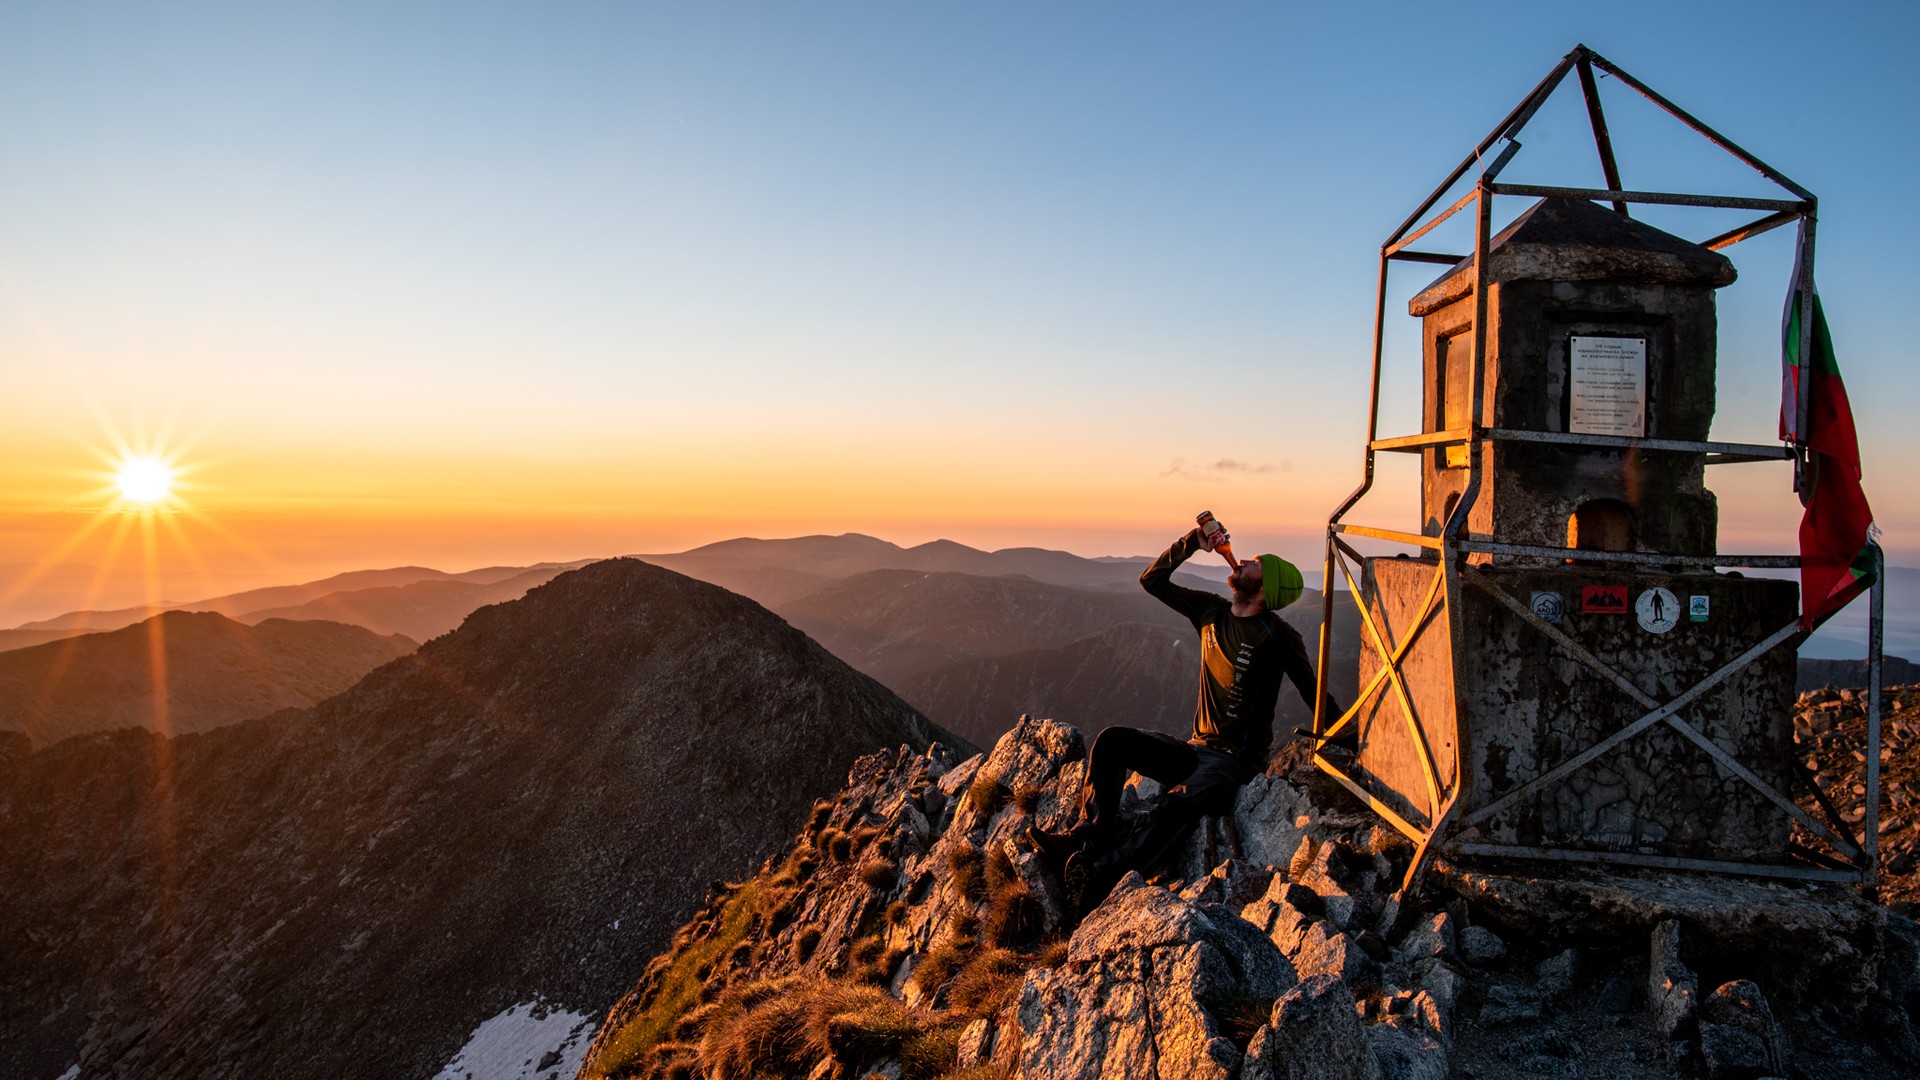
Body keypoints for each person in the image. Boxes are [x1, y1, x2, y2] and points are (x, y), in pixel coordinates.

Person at [1028, 520, 1329, 911]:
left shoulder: (1278, 635)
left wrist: (1348, 738)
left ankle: (1102, 875)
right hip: (1195, 749)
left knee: (1175, 803)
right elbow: (1152, 581)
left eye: (1254, 564)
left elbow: (1314, 693)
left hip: (1235, 763)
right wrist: (1192, 543)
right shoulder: (1211, 611)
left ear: (1266, 587)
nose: (1242, 562)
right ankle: (1088, 837)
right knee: (1112, 741)